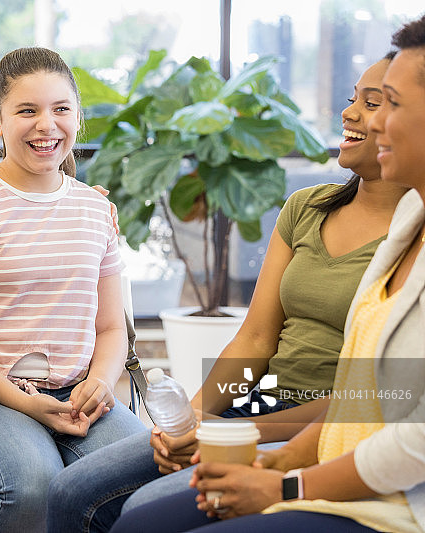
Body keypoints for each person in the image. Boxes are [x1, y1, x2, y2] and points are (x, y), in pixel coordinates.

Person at [47, 52, 409, 533]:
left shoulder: (410, 242)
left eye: (374, 102)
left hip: (318, 423)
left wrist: (231, 433)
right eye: (352, 100)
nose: (350, 113)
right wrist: (193, 419)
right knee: (70, 491)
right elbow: (256, 339)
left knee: (140, 513)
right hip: (261, 401)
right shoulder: (309, 207)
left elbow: (376, 395)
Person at [0, 46, 146, 533]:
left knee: (144, 477)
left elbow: (109, 327)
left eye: (61, 109)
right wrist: (24, 402)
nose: (47, 125)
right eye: (27, 111)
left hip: (78, 392)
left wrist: (100, 385)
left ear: (77, 118)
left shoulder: (95, 209)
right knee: (36, 484)